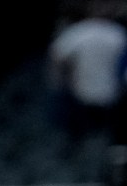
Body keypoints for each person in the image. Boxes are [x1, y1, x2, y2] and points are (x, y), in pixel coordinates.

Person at [49, 9, 126, 139]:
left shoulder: (78, 32)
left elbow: (57, 55)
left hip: (82, 92)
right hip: (111, 93)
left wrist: (62, 82)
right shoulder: (118, 34)